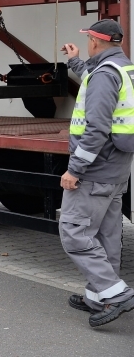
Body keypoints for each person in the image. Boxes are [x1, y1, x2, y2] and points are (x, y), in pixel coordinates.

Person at [60, 18, 134, 327]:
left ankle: (115, 294)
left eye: (88, 39)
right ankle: (97, 296)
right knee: (106, 235)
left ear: (95, 41)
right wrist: (75, 61)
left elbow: (96, 129)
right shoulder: (123, 68)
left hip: (95, 170)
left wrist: (74, 169)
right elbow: (94, 75)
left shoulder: (105, 76)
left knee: (74, 233)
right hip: (116, 169)